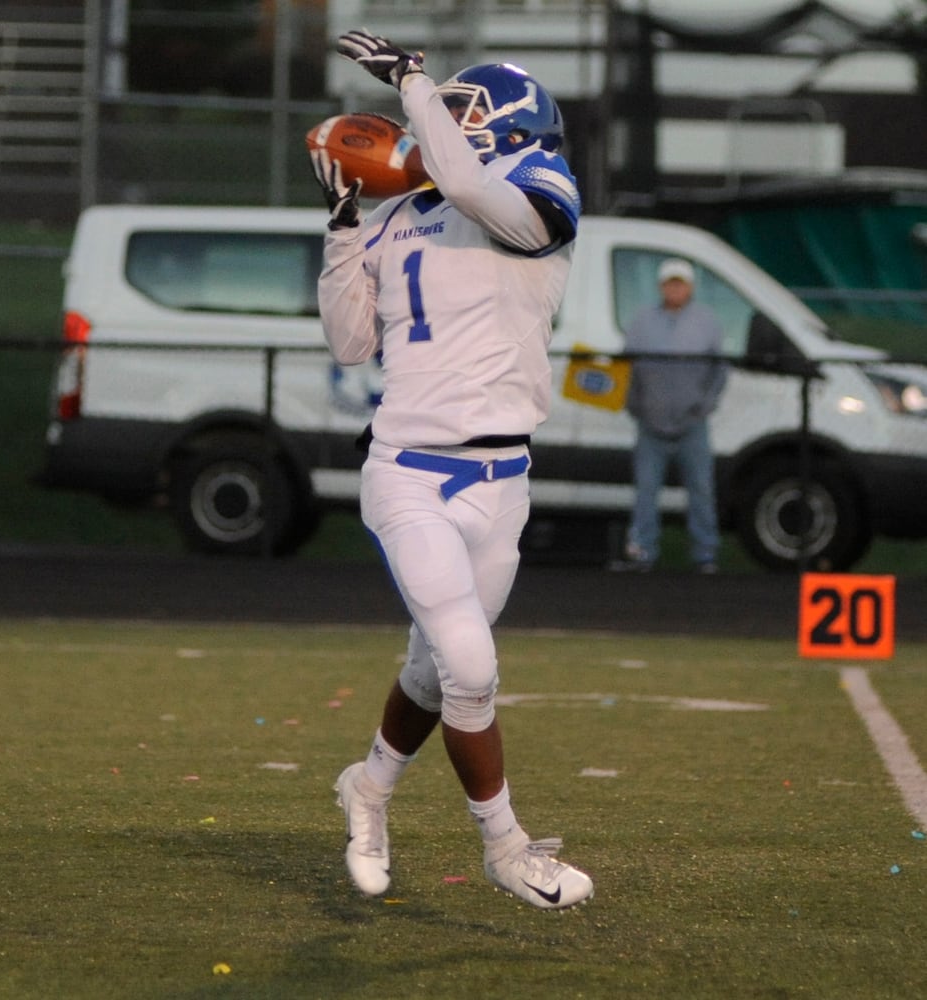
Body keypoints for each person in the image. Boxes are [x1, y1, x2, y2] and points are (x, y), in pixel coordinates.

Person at [315, 30, 593, 910]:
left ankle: (369, 788)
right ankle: (505, 848)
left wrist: (414, 83)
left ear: (516, 125)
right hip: (408, 470)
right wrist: (342, 225)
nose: (447, 126)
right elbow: (350, 341)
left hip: (502, 480)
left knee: (435, 674)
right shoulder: (398, 214)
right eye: (450, 112)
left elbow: (473, 185)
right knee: (469, 666)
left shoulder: (540, 195)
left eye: (469, 112)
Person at [614, 257, 728, 573]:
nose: (674, 289)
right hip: (650, 423)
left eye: (680, 283)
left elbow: (720, 371)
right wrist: (635, 405)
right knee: (646, 489)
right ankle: (642, 551)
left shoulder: (707, 321)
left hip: (693, 423)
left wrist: (704, 406)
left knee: (701, 489)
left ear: (690, 287)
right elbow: (627, 368)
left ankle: (706, 554)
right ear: (661, 286)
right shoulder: (641, 321)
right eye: (669, 283)